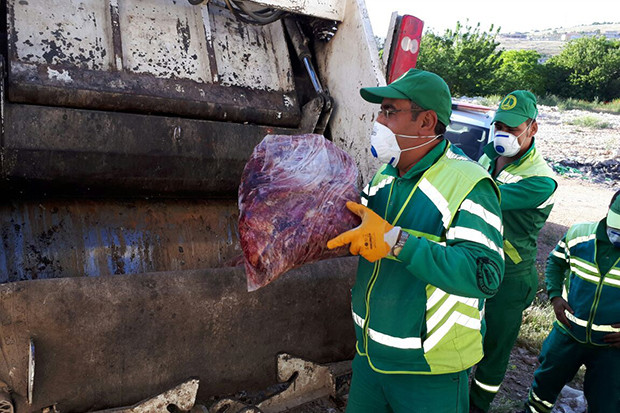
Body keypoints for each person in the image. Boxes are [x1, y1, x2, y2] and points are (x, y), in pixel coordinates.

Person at [326, 68, 505, 413]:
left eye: (389, 111)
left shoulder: (469, 184)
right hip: (369, 357)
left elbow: (484, 274)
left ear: (426, 122)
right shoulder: (385, 175)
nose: (378, 120)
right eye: (379, 111)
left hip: (428, 370)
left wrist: (398, 241)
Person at [469, 90, 558, 412]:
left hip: (510, 277)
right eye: (499, 126)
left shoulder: (541, 180)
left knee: (494, 350)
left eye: (512, 127)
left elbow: (485, 197)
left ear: (532, 128)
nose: (503, 133)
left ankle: (477, 405)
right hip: (475, 263)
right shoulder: (488, 157)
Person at [524, 190, 620, 413]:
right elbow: (555, 262)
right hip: (567, 335)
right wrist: (555, 296)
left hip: (611, 350)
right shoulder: (579, 235)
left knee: (607, 403)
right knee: (543, 387)